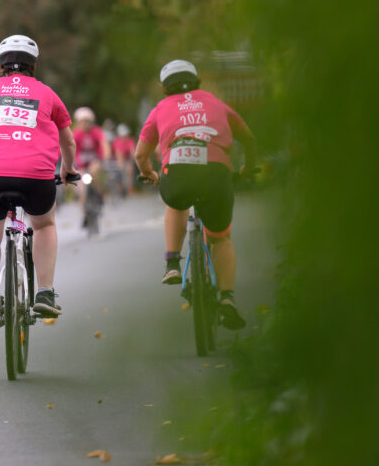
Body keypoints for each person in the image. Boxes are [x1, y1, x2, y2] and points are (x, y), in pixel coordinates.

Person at [0, 34, 79, 332]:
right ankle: (45, 293)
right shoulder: (47, 93)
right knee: (44, 225)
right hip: (36, 176)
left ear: (0, 63)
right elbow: (68, 140)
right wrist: (68, 169)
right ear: (33, 64)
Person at [135, 59, 257, 330]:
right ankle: (227, 298)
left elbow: (141, 155)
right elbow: (248, 138)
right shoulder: (216, 103)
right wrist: (248, 167)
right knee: (220, 237)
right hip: (217, 174)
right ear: (197, 80)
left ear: (164, 87)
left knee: (177, 202)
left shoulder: (160, 108)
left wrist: (150, 174)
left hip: (178, 173)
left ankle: (172, 263)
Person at [72, 106, 110, 215]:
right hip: (81, 165)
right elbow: (69, 147)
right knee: (82, 188)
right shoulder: (76, 133)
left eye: (86, 121)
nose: (84, 124)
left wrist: (106, 156)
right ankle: (84, 213)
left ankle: (99, 193)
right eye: (81, 122)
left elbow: (104, 144)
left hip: (95, 161)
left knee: (94, 172)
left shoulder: (96, 132)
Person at [112, 123, 137, 195]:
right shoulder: (116, 141)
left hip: (127, 160)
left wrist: (133, 158)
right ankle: (119, 188)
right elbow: (118, 153)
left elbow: (132, 151)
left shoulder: (130, 140)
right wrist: (120, 162)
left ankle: (130, 187)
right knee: (118, 169)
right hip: (117, 160)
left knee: (130, 169)